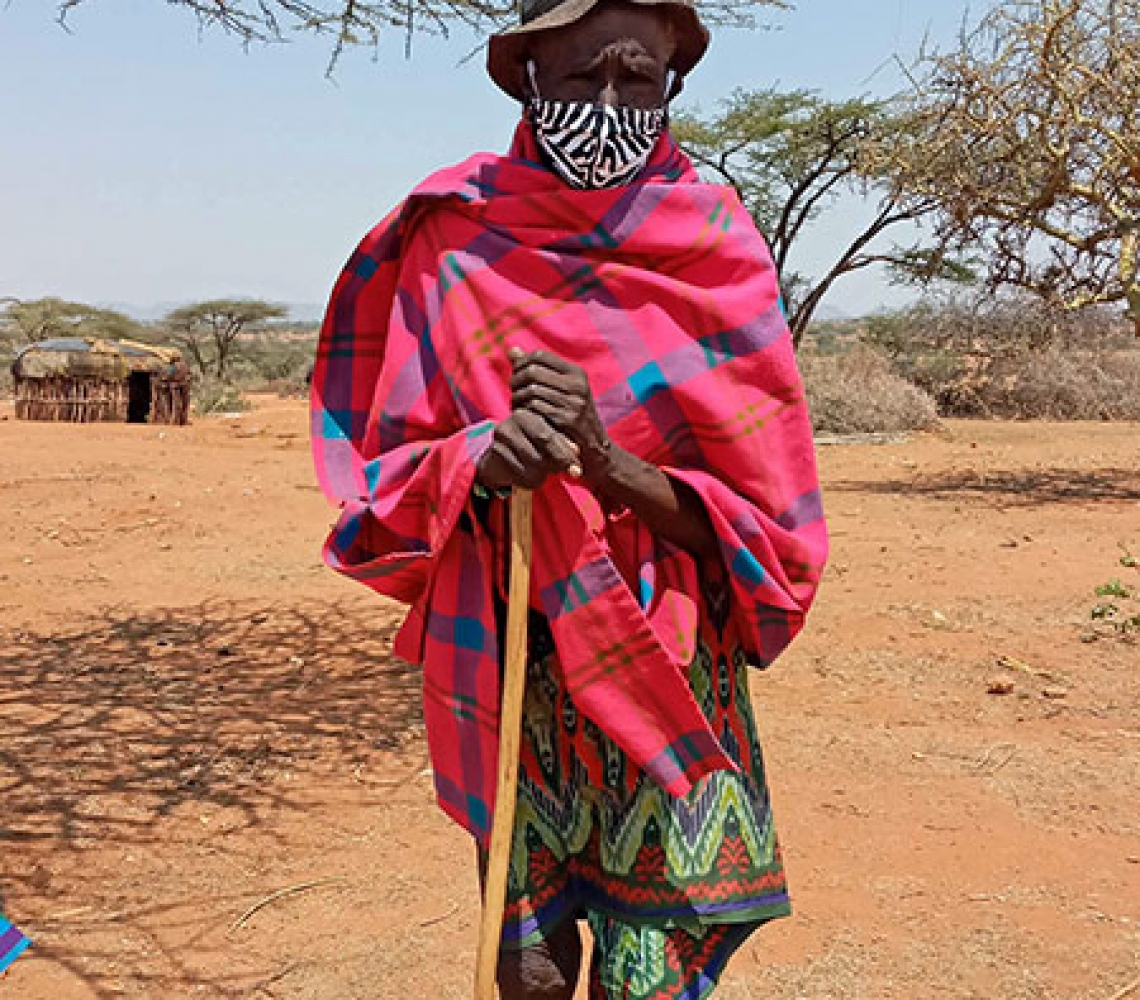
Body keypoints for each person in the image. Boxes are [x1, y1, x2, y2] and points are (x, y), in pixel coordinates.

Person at [310, 1, 829, 996]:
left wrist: (606, 462)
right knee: (530, 970)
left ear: (672, 84)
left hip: (660, 657)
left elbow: (766, 530)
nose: (607, 103)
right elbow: (385, 485)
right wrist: (478, 459)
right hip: (511, 656)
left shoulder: (712, 240)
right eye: (583, 75)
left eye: (637, 80)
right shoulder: (457, 237)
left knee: (643, 981)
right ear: (527, 77)